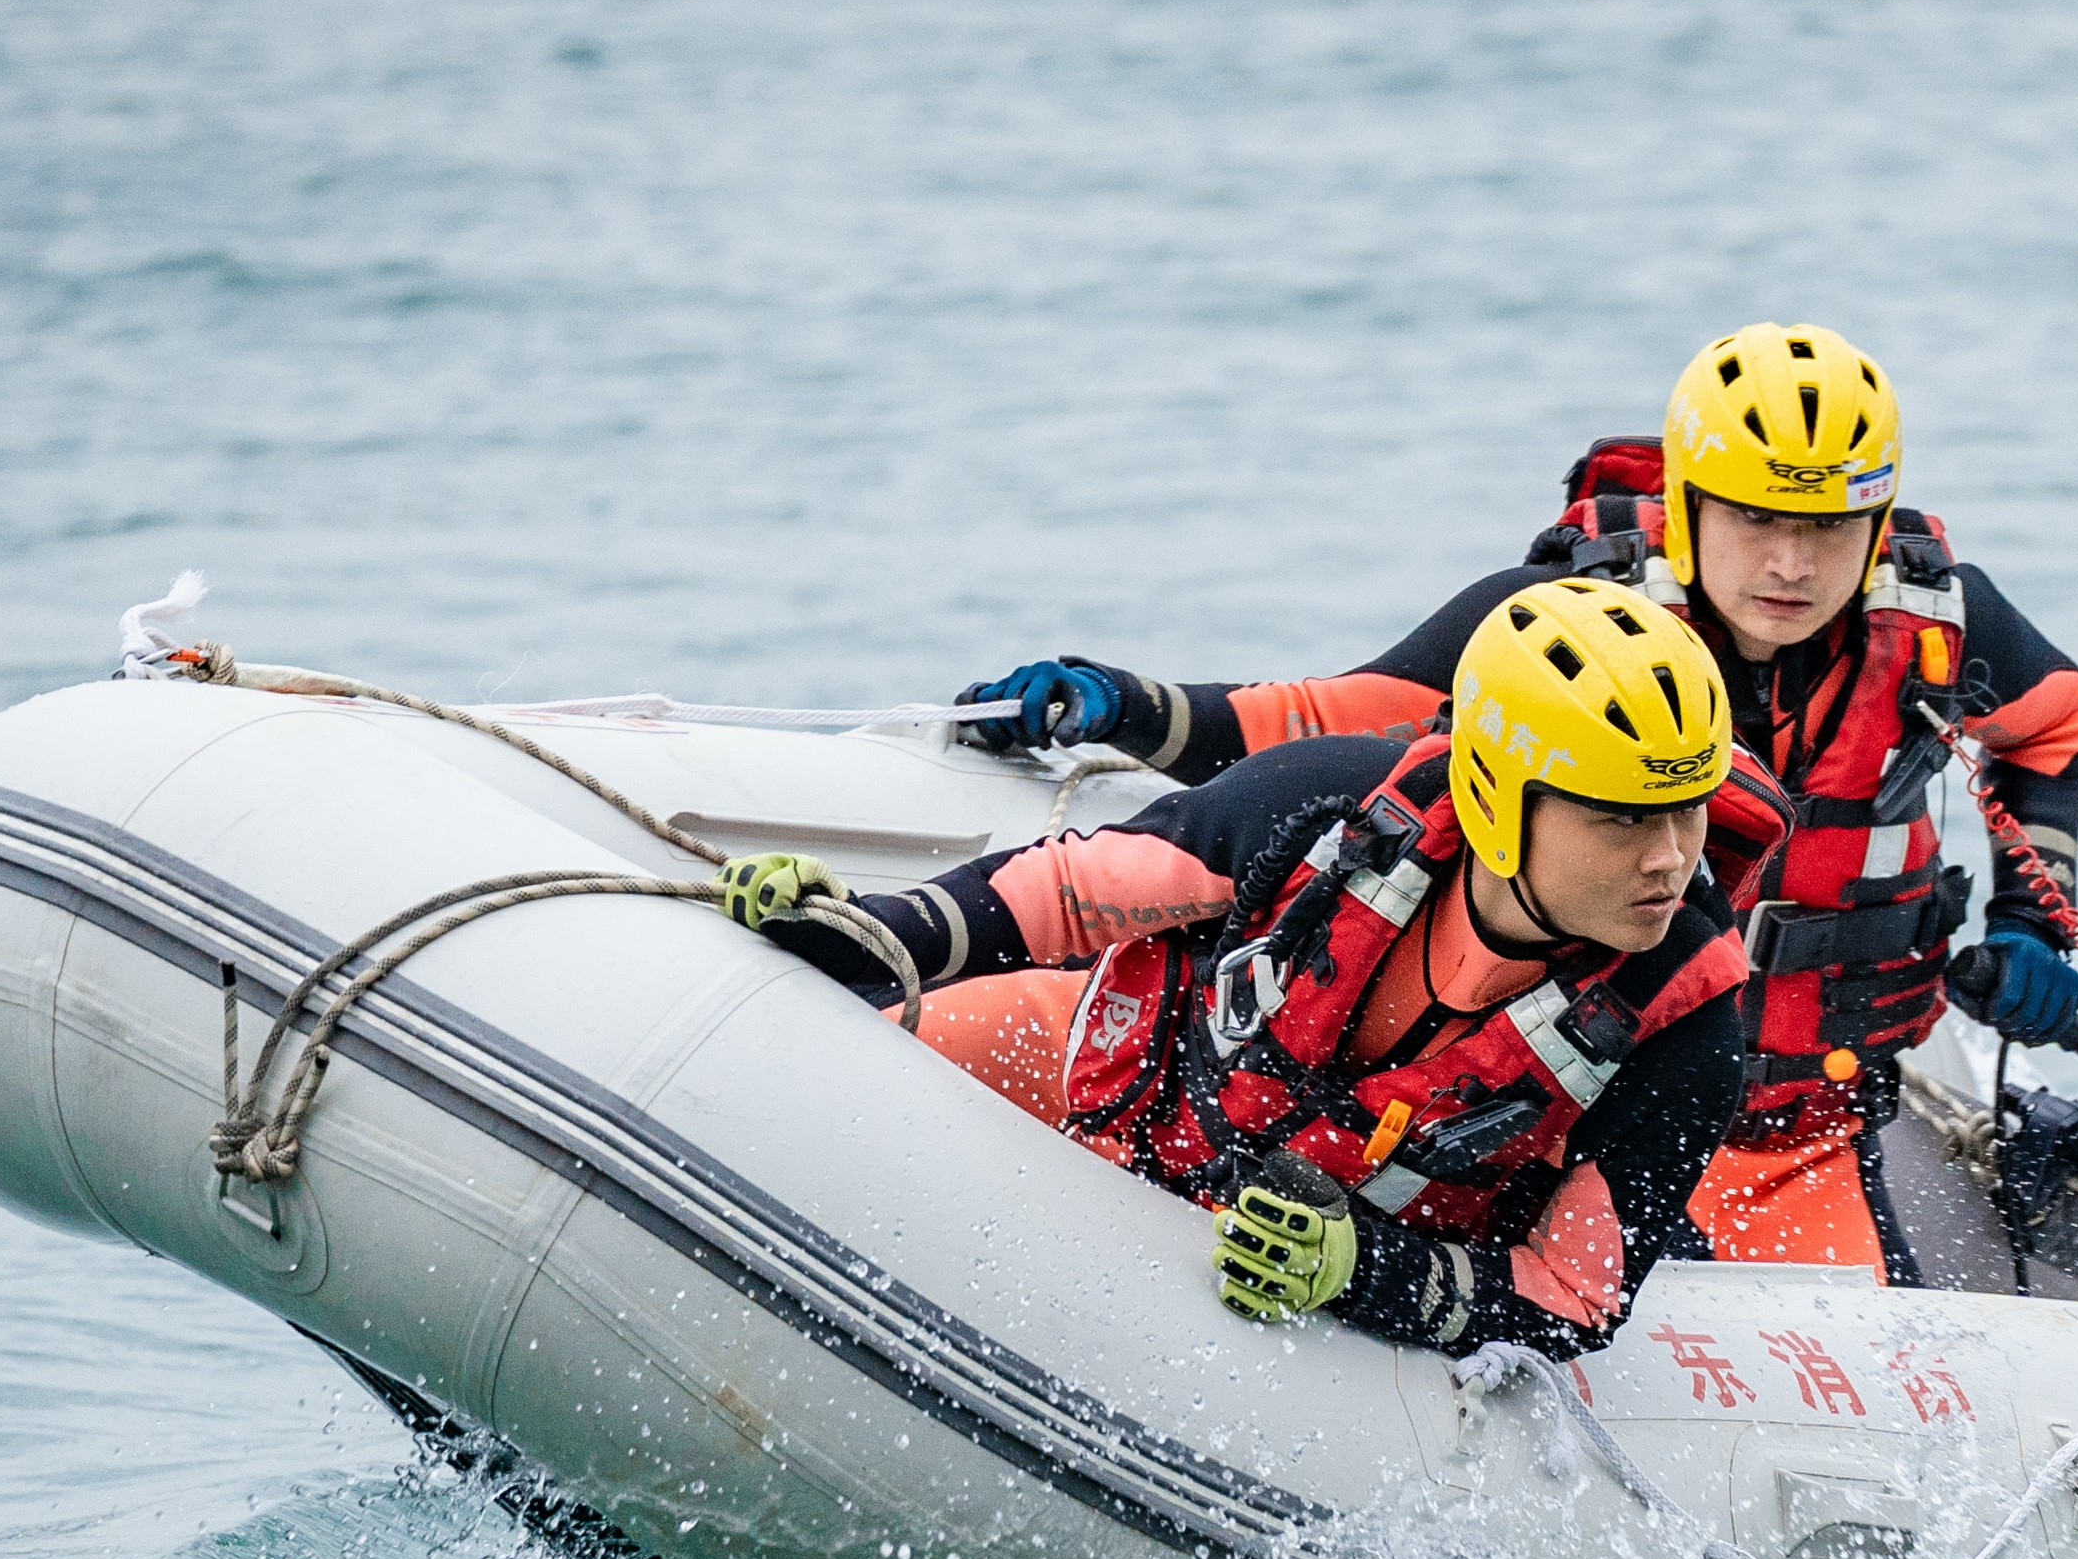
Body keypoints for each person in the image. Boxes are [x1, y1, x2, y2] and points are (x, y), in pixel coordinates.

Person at [945, 322, 2078, 1274]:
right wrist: (1122, 702)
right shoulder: (1565, 626)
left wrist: (2036, 922)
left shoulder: (1942, 623)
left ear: (1877, 520)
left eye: (1827, 529)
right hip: (1558, 1105)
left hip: (1794, 1133)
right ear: (1690, 505)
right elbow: (1325, 720)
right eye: (1756, 521)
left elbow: (2052, 724)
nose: (1791, 567)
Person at [722, 580, 1766, 1362]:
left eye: (1687, 809)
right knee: (779, 1080)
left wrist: (1364, 1274)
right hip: (1084, 1067)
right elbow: (1065, 896)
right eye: (1623, 817)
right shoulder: (1327, 804)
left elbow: (1571, 1298)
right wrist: (865, 931)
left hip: (1298, 1279)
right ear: (1498, 799)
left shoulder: (1688, 1030)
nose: (1673, 858)